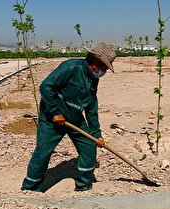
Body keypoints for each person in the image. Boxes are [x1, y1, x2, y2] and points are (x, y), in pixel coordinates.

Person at [21, 42, 116, 192]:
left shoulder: (93, 78)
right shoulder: (71, 67)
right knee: (43, 151)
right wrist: (54, 112)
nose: (104, 71)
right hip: (52, 119)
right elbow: (45, 87)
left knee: (89, 146)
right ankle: (30, 189)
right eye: (104, 67)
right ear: (95, 63)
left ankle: (83, 185)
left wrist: (97, 134)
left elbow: (91, 107)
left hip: (75, 119)